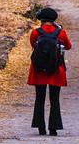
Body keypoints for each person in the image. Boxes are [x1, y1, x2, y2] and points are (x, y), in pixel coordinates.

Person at [27, 7, 72, 136]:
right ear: (53, 20)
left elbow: (33, 46)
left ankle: (40, 127)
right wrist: (59, 30)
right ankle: (54, 128)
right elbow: (68, 46)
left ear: (41, 20)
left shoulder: (36, 33)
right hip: (56, 70)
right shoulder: (61, 33)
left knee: (39, 98)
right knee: (54, 99)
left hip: (39, 70)